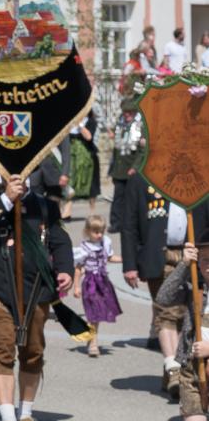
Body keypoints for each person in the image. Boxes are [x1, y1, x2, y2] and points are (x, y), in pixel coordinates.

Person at [0, 173, 73, 421]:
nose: (19, 178)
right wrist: (6, 199)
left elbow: (60, 241)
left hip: (37, 290)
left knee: (33, 352)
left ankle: (25, 414)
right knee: (2, 350)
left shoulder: (46, 207)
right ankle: (7, 419)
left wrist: (65, 270)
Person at [123, 173, 209, 398]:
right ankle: (173, 369)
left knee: (191, 313)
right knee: (167, 311)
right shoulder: (143, 179)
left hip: (196, 253)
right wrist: (130, 264)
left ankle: (177, 366)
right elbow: (129, 223)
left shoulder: (201, 178)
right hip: (160, 254)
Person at [155, 236, 209, 421]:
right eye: (204, 260)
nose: (208, 266)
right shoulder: (192, 284)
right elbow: (163, 298)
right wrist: (183, 266)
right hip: (192, 372)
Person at [73, 215, 122, 357]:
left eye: (101, 231)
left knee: (98, 314)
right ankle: (93, 343)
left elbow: (110, 257)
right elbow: (78, 268)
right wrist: (76, 286)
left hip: (103, 282)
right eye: (96, 232)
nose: (99, 235)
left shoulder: (105, 243)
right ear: (88, 231)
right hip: (90, 283)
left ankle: (92, 338)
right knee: (92, 314)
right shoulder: (83, 248)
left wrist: (127, 260)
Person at [108, 98, 144, 235]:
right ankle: (116, 223)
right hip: (119, 169)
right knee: (118, 198)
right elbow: (116, 151)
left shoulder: (140, 126)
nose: (127, 114)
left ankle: (131, 223)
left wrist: (135, 167)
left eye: (130, 112)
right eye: (125, 112)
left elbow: (142, 152)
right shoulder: (120, 124)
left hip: (132, 169)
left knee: (133, 199)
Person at [67, 110, 100, 217]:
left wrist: (80, 125)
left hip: (88, 158)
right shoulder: (70, 122)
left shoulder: (91, 122)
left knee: (92, 186)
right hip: (73, 158)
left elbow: (89, 137)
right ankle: (67, 209)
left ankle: (92, 210)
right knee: (71, 183)